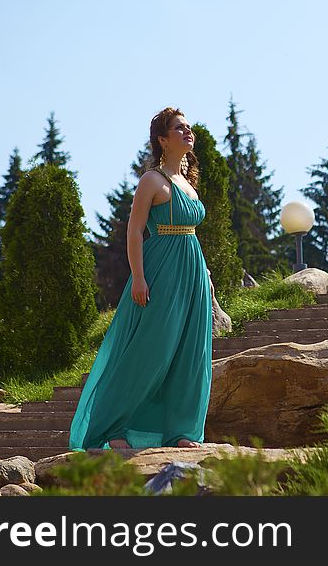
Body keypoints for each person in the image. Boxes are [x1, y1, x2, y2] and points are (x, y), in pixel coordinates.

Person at [68, 107, 214, 451]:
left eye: (188, 127)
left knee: (190, 353)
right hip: (161, 270)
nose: (188, 132)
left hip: (192, 272)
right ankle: (111, 428)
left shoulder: (188, 183)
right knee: (151, 351)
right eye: (179, 128)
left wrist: (204, 276)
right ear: (163, 140)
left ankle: (181, 432)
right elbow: (134, 230)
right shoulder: (152, 180)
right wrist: (138, 277)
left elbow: (188, 232)